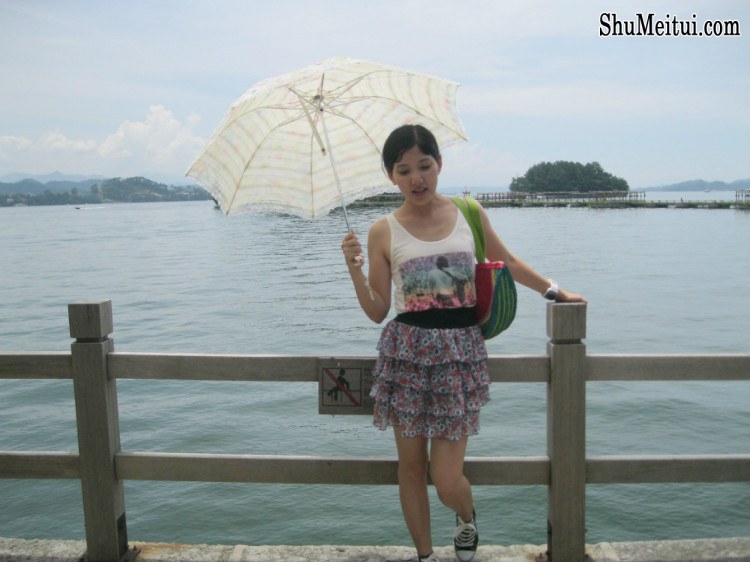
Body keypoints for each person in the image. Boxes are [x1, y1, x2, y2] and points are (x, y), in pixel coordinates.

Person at [341, 124, 586, 562]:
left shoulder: (467, 212)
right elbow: (378, 310)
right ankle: (425, 556)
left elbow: (507, 262)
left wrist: (555, 291)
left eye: (424, 166)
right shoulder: (382, 231)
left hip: (460, 355)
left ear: (439, 164)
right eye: (404, 170)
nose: (416, 178)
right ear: (390, 175)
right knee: (411, 469)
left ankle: (466, 516)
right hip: (407, 355)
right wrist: (354, 270)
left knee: (446, 477)